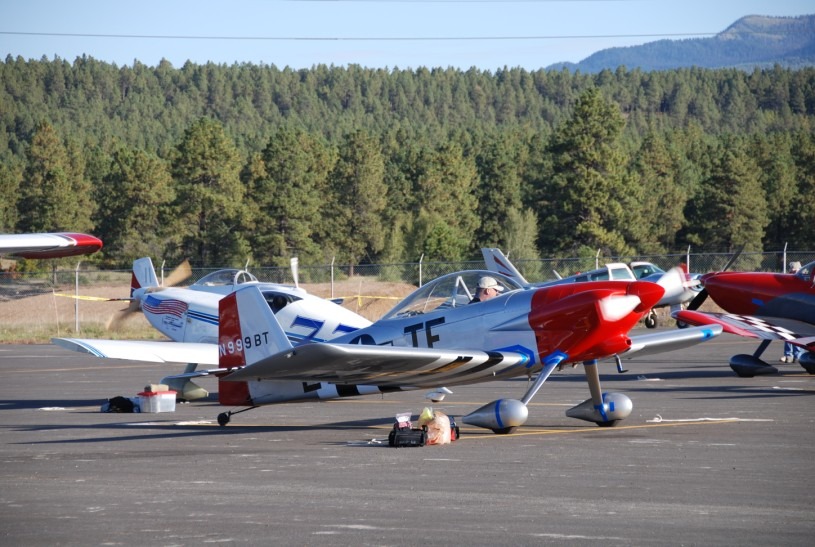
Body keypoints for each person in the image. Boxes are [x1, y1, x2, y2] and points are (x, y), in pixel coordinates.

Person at [781, 261, 804, 363]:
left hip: (799, 311)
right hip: (788, 310)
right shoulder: (787, 281)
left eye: (794, 271)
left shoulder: (804, 281)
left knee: (798, 333)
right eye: (791, 271)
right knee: (787, 333)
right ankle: (788, 355)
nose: (792, 273)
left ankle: (798, 355)